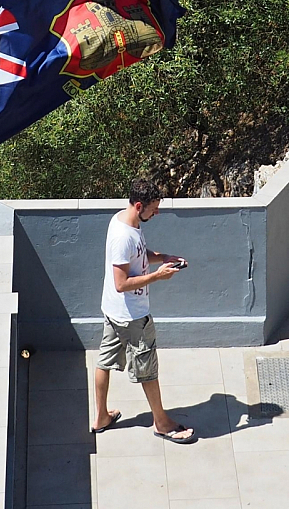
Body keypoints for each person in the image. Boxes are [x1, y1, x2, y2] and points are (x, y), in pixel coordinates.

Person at [92, 177, 196, 444]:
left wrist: (163, 258)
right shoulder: (122, 236)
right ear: (139, 205)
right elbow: (121, 283)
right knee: (147, 369)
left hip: (114, 313)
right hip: (132, 316)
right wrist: (157, 277)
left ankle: (101, 417)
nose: (157, 212)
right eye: (153, 208)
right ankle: (161, 423)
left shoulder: (126, 221)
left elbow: (138, 255)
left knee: (104, 361)